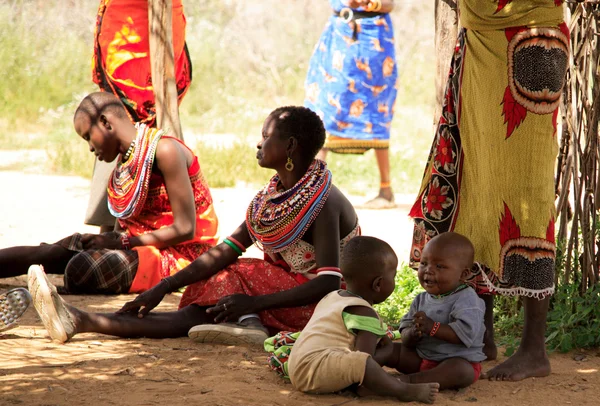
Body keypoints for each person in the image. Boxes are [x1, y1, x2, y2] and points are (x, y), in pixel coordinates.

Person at [28, 106, 360, 345]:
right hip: (285, 294)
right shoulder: (273, 197)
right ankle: (81, 320)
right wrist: (162, 287)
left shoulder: (322, 201)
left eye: (266, 136)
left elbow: (328, 283)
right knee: (215, 288)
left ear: (289, 146)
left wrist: (254, 303)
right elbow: (224, 251)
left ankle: (85, 320)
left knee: (231, 281)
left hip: (322, 307)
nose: (258, 144)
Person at [409, 1, 569, 381]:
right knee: (474, 191)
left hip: (529, 42)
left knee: (526, 195)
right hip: (479, 41)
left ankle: (534, 350)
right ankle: (481, 334)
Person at [0, 92, 218, 296]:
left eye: (88, 136)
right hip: (138, 248)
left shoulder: (164, 151)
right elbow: (122, 230)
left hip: (180, 256)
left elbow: (185, 229)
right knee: (56, 251)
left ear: (105, 123)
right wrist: (105, 240)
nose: (90, 148)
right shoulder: (124, 165)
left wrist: (120, 244)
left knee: (83, 266)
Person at [287, 236, 439, 403]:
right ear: (378, 284)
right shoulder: (364, 313)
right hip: (314, 371)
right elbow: (365, 361)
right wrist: (387, 352)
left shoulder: (333, 296)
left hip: (297, 366)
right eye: (394, 276)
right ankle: (404, 390)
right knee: (362, 362)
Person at [86, 0, 193, 231]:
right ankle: (113, 222)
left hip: (161, 21)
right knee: (120, 120)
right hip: (125, 27)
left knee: (157, 119)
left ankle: (159, 222)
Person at [305, 0, 398, 208]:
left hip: (374, 38)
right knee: (325, 105)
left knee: (376, 106)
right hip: (339, 35)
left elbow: (389, 4)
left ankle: (386, 189)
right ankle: (312, 188)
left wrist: (371, 2)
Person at [380, 233, 485, 390]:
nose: (428, 270)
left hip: (453, 361)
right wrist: (412, 333)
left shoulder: (467, 299)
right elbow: (405, 335)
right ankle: (364, 371)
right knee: (389, 349)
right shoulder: (421, 299)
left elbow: (465, 334)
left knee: (462, 371)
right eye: (423, 263)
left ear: (463, 274)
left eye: (439, 266)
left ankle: (410, 381)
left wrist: (432, 327)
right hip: (421, 358)